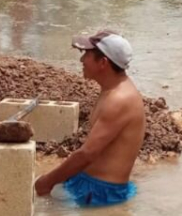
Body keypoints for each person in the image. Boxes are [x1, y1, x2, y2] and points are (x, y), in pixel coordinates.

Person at [35, 31, 145, 206]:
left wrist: (47, 181)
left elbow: (87, 154)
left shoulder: (119, 100)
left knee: (41, 205)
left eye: (86, 54)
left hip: (102, 192)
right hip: (90, 182)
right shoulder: (111, 89)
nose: (81, 60)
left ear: (103, 63)